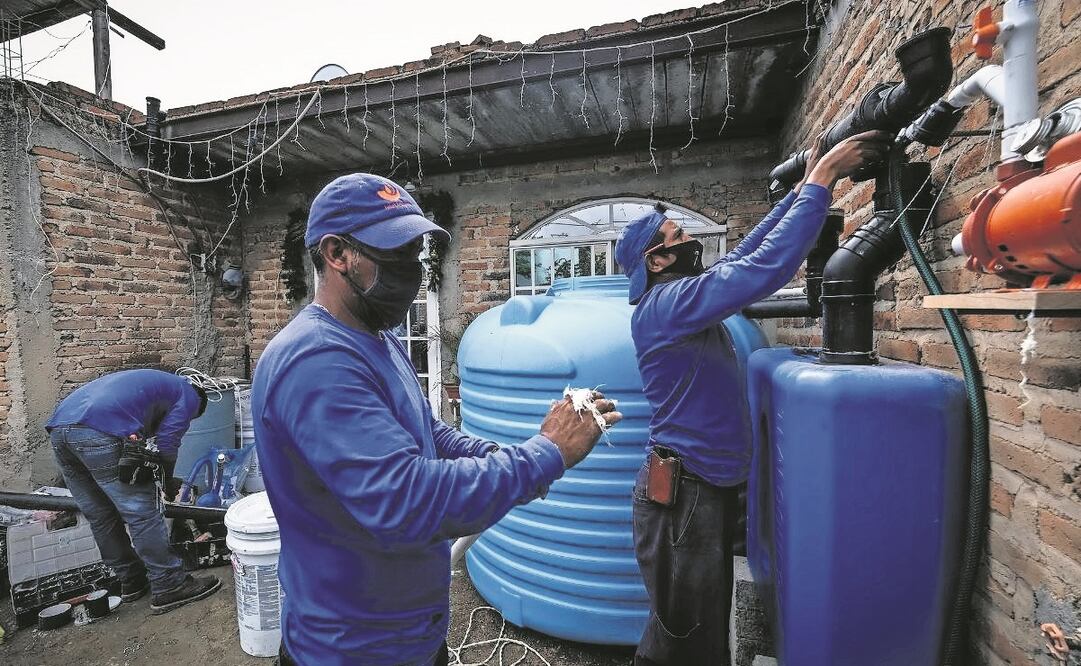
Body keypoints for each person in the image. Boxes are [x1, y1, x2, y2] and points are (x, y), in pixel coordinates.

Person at [251, 173, 621, 666]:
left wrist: (500, 458)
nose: (413, 269)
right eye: (395, 252)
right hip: (354, 648)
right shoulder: (316, 362)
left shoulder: (375, 336)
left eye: (416, 252)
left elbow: (426, 430)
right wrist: (543, 455)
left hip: (408, 633)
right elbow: (406, 500)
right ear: (337, 254)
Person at [614, 131, 891, 666]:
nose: (689, 239)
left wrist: (798, 194)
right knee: (685, 636)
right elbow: (761, 270)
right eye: (677, 235)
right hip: (684, 496)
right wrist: (823, 180)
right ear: (657, 260)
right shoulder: (668, 305)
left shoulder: (679, 298)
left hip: (702, 485)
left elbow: (742, 255)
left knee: (700, 625)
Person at [46, 368, 222, 614]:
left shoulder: (157, 386)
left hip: (61, 428)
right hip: (100, 429)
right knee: (143, 512)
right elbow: (168, 443)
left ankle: (132, 580)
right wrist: (166, 481)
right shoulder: (189, 395)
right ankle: (169, 585)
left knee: (100, 514)